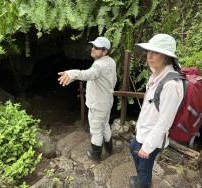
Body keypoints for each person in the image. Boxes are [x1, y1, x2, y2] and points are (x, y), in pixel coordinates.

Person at [129, 34, 184, 188]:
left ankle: (143, 183)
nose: (150, 56)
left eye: (155, 52)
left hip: (152, 137)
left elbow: (165, 121)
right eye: (149, 51)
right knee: (133, 148)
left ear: (166, 57)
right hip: (144, 130)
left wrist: (147, 147)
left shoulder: (171, 85)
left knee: (144, 167)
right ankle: (142, 178)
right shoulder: (157, 73)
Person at [58, 36, 117, 161]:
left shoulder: (99, 65)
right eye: (93, 46)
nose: (93, 49)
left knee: (96, 129)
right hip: (107, 101)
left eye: (97, 48)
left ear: (105, 51)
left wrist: (72, 73)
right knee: (105, 124)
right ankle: (109, 148)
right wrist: (74, 77)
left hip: (97, 104)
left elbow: (88, 74)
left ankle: (95, 154)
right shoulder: (110, 61)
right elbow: (93, 76)